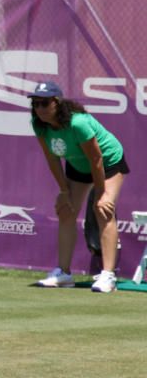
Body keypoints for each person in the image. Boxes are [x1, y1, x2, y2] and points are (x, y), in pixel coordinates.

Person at [29, 81, 128, 293]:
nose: (39, 109)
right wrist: (64, 191)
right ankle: (63, 273)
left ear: (57, 102)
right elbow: (53, 160)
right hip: (77, 165)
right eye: (35, 104)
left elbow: (97, 160)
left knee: (103, 210)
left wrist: (100, 194)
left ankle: (108, 276)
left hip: (108, 162)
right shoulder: (38, 124)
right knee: (66, 211)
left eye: (44, 103)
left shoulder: (78, 123)